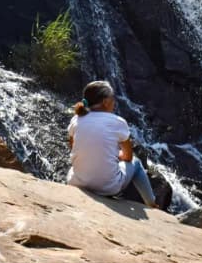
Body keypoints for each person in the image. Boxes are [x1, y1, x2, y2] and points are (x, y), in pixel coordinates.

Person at [66, 80, 158, 208]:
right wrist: (116, 155)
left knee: (73, 168)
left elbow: (73, 147)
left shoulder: (76, 119)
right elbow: (128, 157)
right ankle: (151, 203)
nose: (114, 102)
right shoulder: (118, 122)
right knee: (136, 163)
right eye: (112, 99)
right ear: (105, 102)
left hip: (78, 182)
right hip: (109, 188)